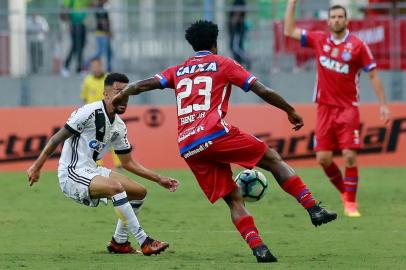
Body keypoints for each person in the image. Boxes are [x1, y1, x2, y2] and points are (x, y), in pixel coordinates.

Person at [112, 20, 337, 263]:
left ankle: (260, 249)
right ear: (215, 43)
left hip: (188, 145)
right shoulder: (223, 63)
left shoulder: (178, 70)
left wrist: (121, 95)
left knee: (233, 199)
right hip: (215, 134)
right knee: (272, 159)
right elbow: (262, 90)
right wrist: (290, 110)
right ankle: (313, 208)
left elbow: (140, 85)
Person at [27, 73, 179, 255]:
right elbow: (56, 139)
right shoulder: (88, 112)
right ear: (106, 94)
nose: (124, 97)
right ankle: (144, 241)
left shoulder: (119, 126)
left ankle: (119, 242)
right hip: (72, 173)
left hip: (92, 170)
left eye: (128, 93)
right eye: (119, 92)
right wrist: (37, 166)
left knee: (139, 193)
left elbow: (128, 162)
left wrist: (159, 179)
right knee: (116, 187)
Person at [284, 1, 391, 217]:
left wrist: (383, 105)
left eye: (340, 17)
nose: (336, 20)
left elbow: (373, 74)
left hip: (348, 109)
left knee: (350, 156)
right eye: (333, 17)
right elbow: (289, 31)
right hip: (324, 109)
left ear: (346, 20)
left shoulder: (358, 45)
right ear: (328, 21)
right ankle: (344, 191)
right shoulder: (319, 39)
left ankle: (351, 203)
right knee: (323, 158)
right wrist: (292, 2)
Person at [81, 58, 122, 168]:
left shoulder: (108, 79)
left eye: (98, 66)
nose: (96, 68)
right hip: (93, 116)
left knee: (113, 138)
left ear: (101, 66)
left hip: (108, 114)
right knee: (96, 140)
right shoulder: (87, 80)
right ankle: (96, 163)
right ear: (91, 67)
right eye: (94, 66)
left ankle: (118, 163)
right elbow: (84, 98)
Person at [60, 0, 89, 76]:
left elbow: (90, 4)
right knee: (76, 46)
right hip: (74, 24)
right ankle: (71, 67)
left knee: (81, 46)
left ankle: (75, 68)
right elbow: (65, 9)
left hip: (83, 24)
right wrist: (69, 23)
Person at [86, 0, 113, 72]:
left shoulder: (101, 8)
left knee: (109, 52)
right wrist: (108, 31)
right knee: (101, 51)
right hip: (101, 33)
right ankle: (87, 63)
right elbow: (103, 22)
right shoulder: (99, 8)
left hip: (103, 33)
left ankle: (109, 68)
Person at [228, 0, 251, 69]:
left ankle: (247, 60)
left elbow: (237, 12)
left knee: (235, 47)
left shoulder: (239, 2)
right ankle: (239, 64)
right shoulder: (240, 2)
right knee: (236, 47)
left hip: (237, 28)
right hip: (237, 28)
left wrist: (233, 23)